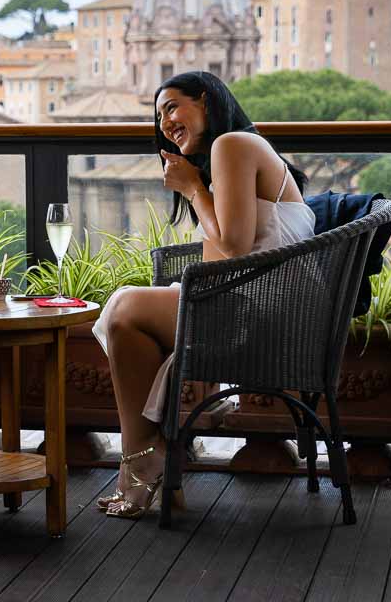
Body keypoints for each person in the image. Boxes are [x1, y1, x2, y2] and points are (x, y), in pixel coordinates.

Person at [92, 71, 314, 519]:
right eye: (159, 117)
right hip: (257, 307)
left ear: (207, 101)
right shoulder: (229, 154)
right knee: (125, 318)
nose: (165, 123)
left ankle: (145, 460)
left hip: (261, 315)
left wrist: (193, 188)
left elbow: (232, 246)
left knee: (123, 306)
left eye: (173, 106)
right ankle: (154, 461)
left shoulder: (232, 144)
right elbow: (224, 259)